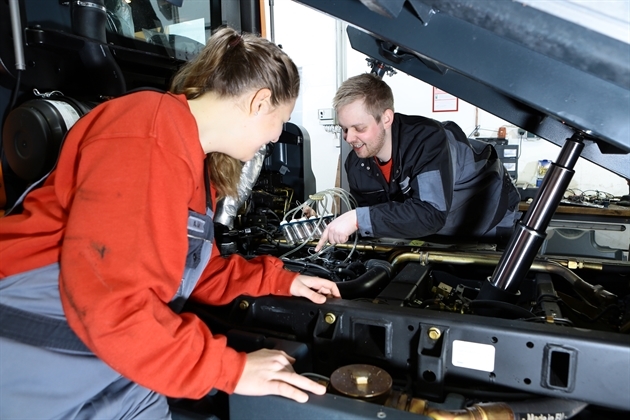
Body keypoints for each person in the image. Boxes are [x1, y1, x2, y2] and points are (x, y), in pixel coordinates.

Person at [0, 27, 340, 419]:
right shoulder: (148, 131)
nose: (278, 134)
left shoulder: (192, 161)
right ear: (260, 102)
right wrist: (231, 370)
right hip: (34, 341)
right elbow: (111, 298)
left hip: (114, 349)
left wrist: (282, 280)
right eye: (282, 119)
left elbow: (196, 271)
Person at [316, 73, 520, 251]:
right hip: (433, 233)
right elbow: (375, 222)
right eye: (344, 128)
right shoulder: (356, 163)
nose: (349, 138)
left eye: (358, 128)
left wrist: (357, 219)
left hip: (487, 217)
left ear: (386, 118)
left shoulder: (427, 141)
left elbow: (431, 213)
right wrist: (326, 226)